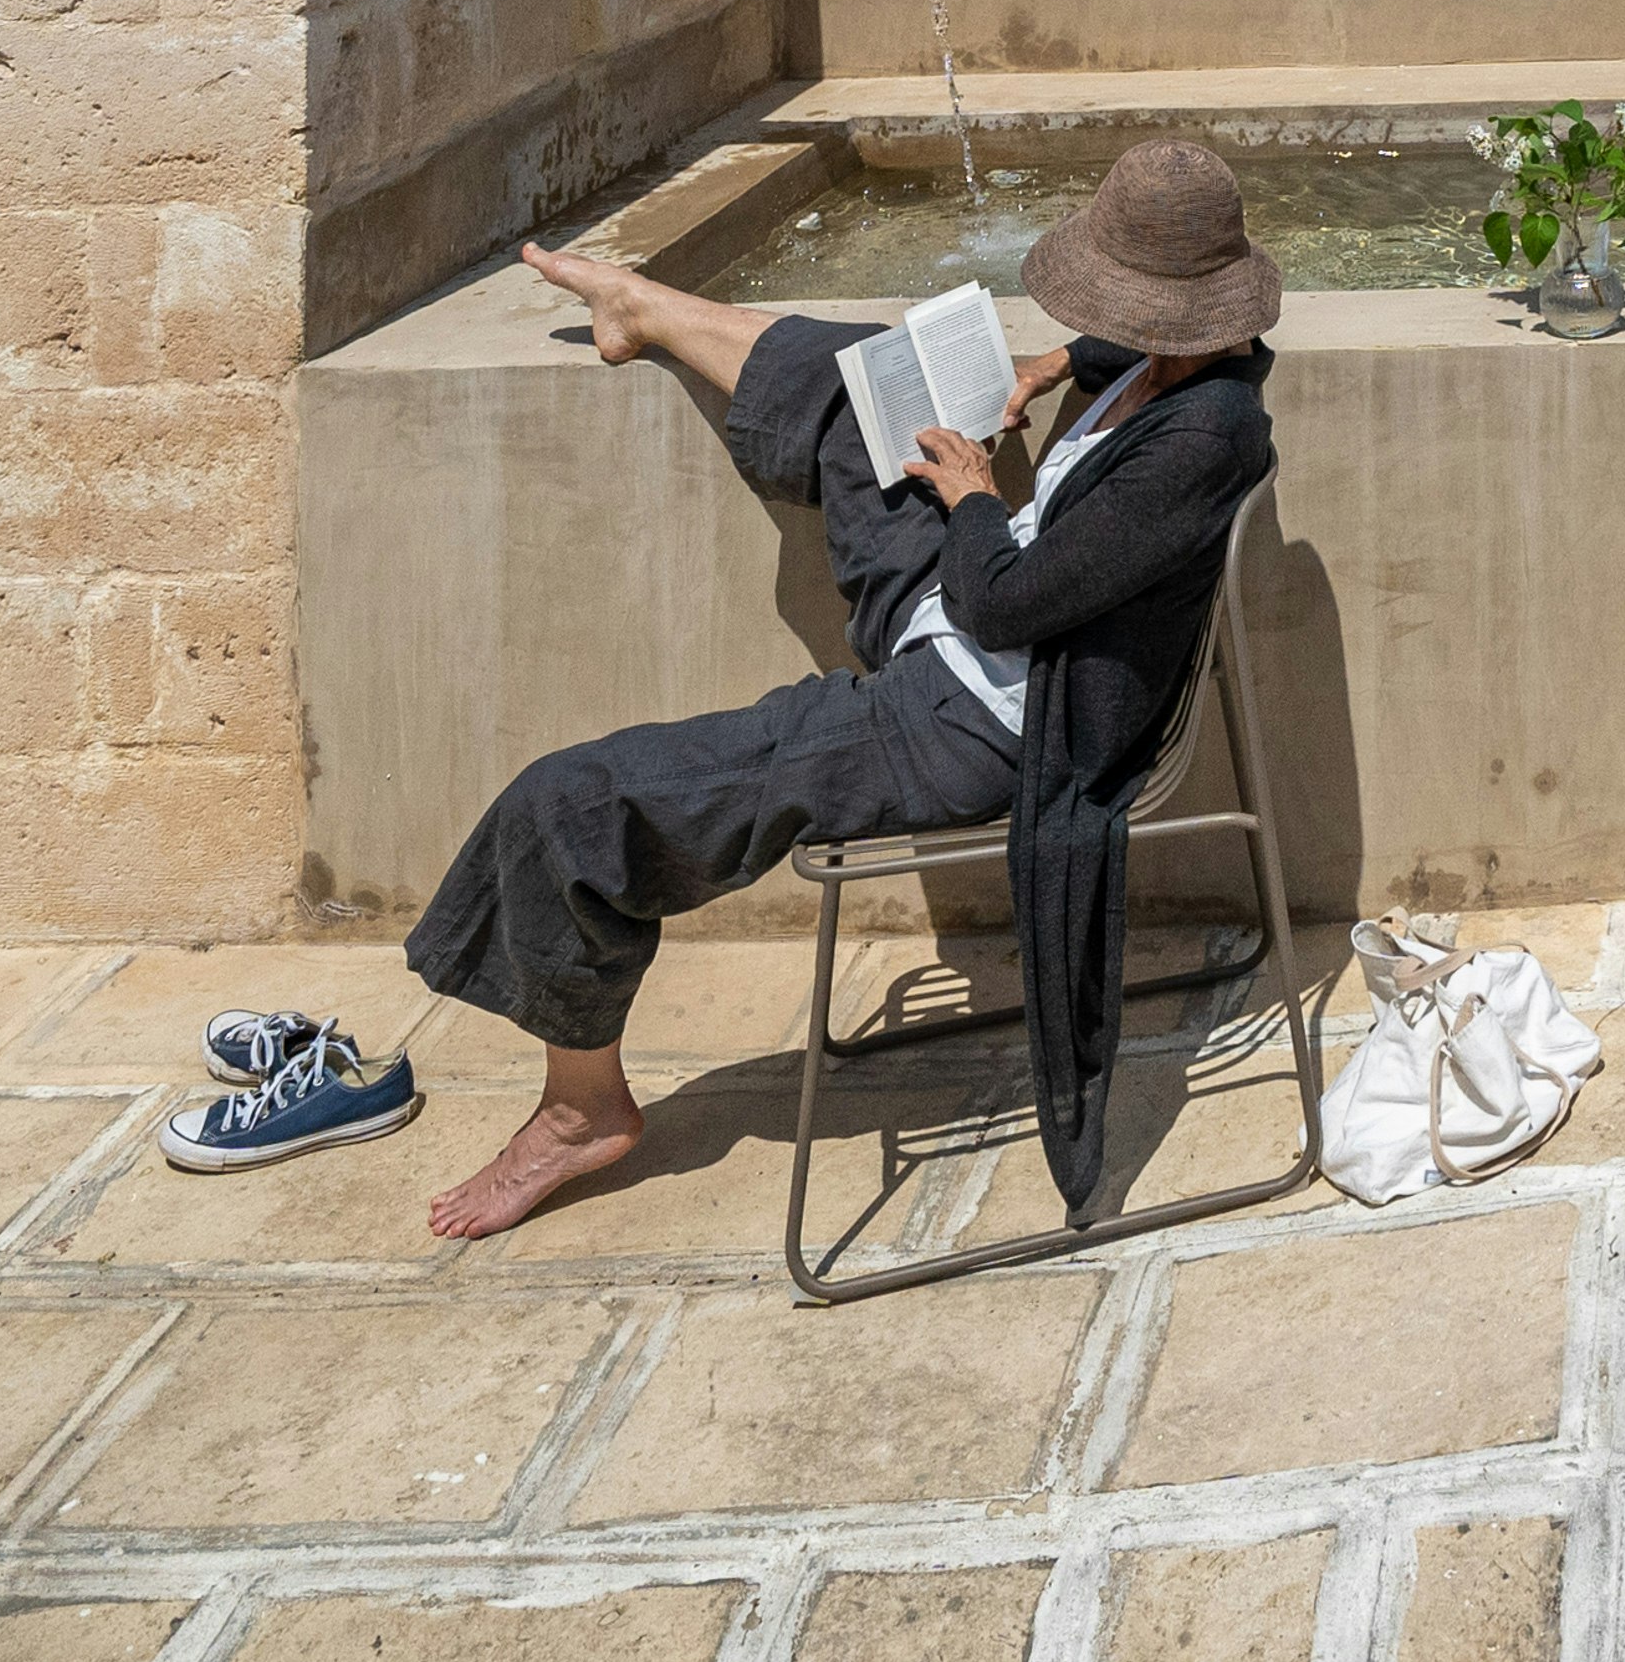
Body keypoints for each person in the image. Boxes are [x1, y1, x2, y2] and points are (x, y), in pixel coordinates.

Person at [156, 135, 1282, 1242]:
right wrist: (1055, 366)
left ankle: (582, 1112)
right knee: (866, 383)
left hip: (972, 718)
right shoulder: (1186, 365)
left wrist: (976, 494)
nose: (1105, 326)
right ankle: (641, 306)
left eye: (1117, 307)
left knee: (572, 803)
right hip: (973, 632)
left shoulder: (1206, 435)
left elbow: (1003, 605)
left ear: (1173, 311)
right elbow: (1104, 412)